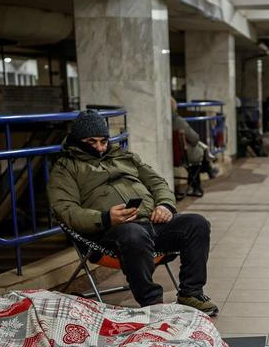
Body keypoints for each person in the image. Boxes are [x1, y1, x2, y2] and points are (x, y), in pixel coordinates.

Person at [49, 110, 219, 315]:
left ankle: (191, 294)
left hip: (151, 223)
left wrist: (165, 205)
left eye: (103, 141)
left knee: (197, 224)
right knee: (133, 233)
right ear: (77, 141)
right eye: (91, 142)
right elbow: (65, 210)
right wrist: (105, 218)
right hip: (109, 232)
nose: (100, 147)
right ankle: (152, 303)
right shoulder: (65, 168)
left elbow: (157, 182)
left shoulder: (125, 157)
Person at [171, 98, 218, 197]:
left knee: (199, 151)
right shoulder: (177, 120)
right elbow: (194, 138)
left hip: (174, 154)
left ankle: (199, 182)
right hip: (183, 155)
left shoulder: (166, 121)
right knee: (200, 153)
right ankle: (208, 171)